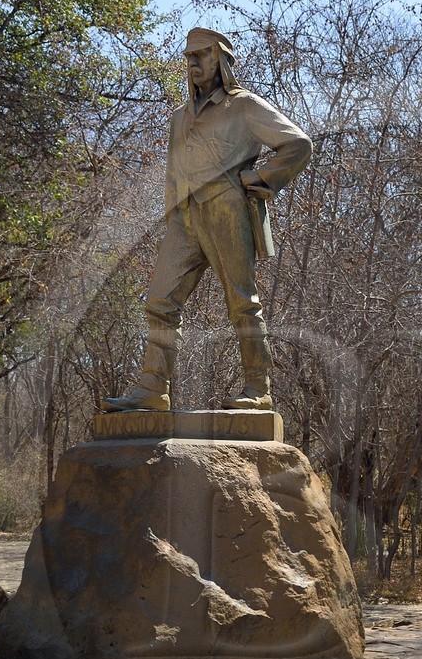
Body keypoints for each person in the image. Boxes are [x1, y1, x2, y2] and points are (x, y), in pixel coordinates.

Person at [102, 27, 312, 413]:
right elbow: (172, 171)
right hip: (186, 216)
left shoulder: (244, 106)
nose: (193, 63)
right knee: (159, 300)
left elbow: (297, 143)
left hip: (226, 210)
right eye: (188, 57)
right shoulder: (179, 116)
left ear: (222, 60)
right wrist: (171, 215)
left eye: (201, 55)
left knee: (242, 302)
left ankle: (257, 387)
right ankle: (152, 388)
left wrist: (257, 178)